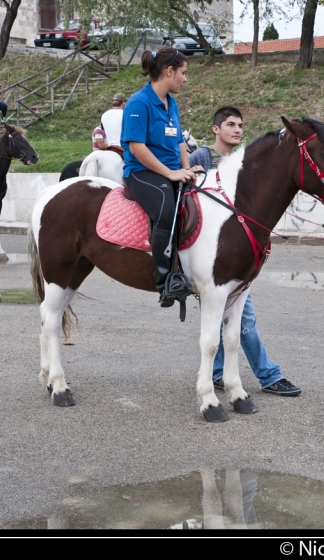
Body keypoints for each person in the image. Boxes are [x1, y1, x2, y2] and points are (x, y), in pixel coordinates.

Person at [188, 106, 301, 396]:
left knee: (230, 316)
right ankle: (268, 375)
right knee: (242, 317)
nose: (237, 129)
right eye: (230, 124)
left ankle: (216, 373)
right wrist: (193, 173)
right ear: (216, 129)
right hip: (212, 251)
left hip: (238, 248)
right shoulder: (202, 156)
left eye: (240, 124)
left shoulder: (246, 159)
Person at [120, 47, 201, 308]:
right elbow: (136, 147)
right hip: (142, 173)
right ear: (169, 72)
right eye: (183, 73)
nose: (186, 79)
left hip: (171, 170)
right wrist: (169, 173)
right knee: (167, 210)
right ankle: (165, 280)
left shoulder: (171, 102)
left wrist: (188, 169)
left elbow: (179, 141)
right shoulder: (138, 102)